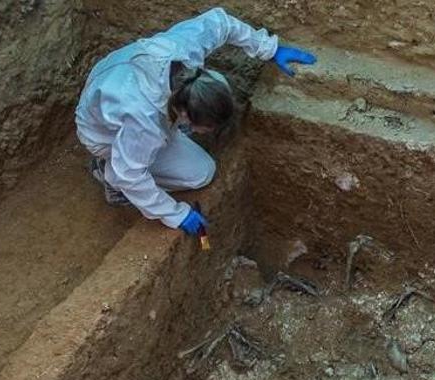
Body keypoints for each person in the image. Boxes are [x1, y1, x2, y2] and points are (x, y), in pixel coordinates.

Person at [75, 8, 316, 238]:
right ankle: (107, 174)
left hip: (113, 85)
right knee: (201, 173)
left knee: (214, 87)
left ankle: (141, 155)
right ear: (184, 115)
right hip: (101, 130)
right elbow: (131, 175)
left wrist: (269, 49)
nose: (210, 131)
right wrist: (175, 214)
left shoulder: (186, 51)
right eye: (205, 127)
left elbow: (221, 22)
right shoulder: (144, 122)